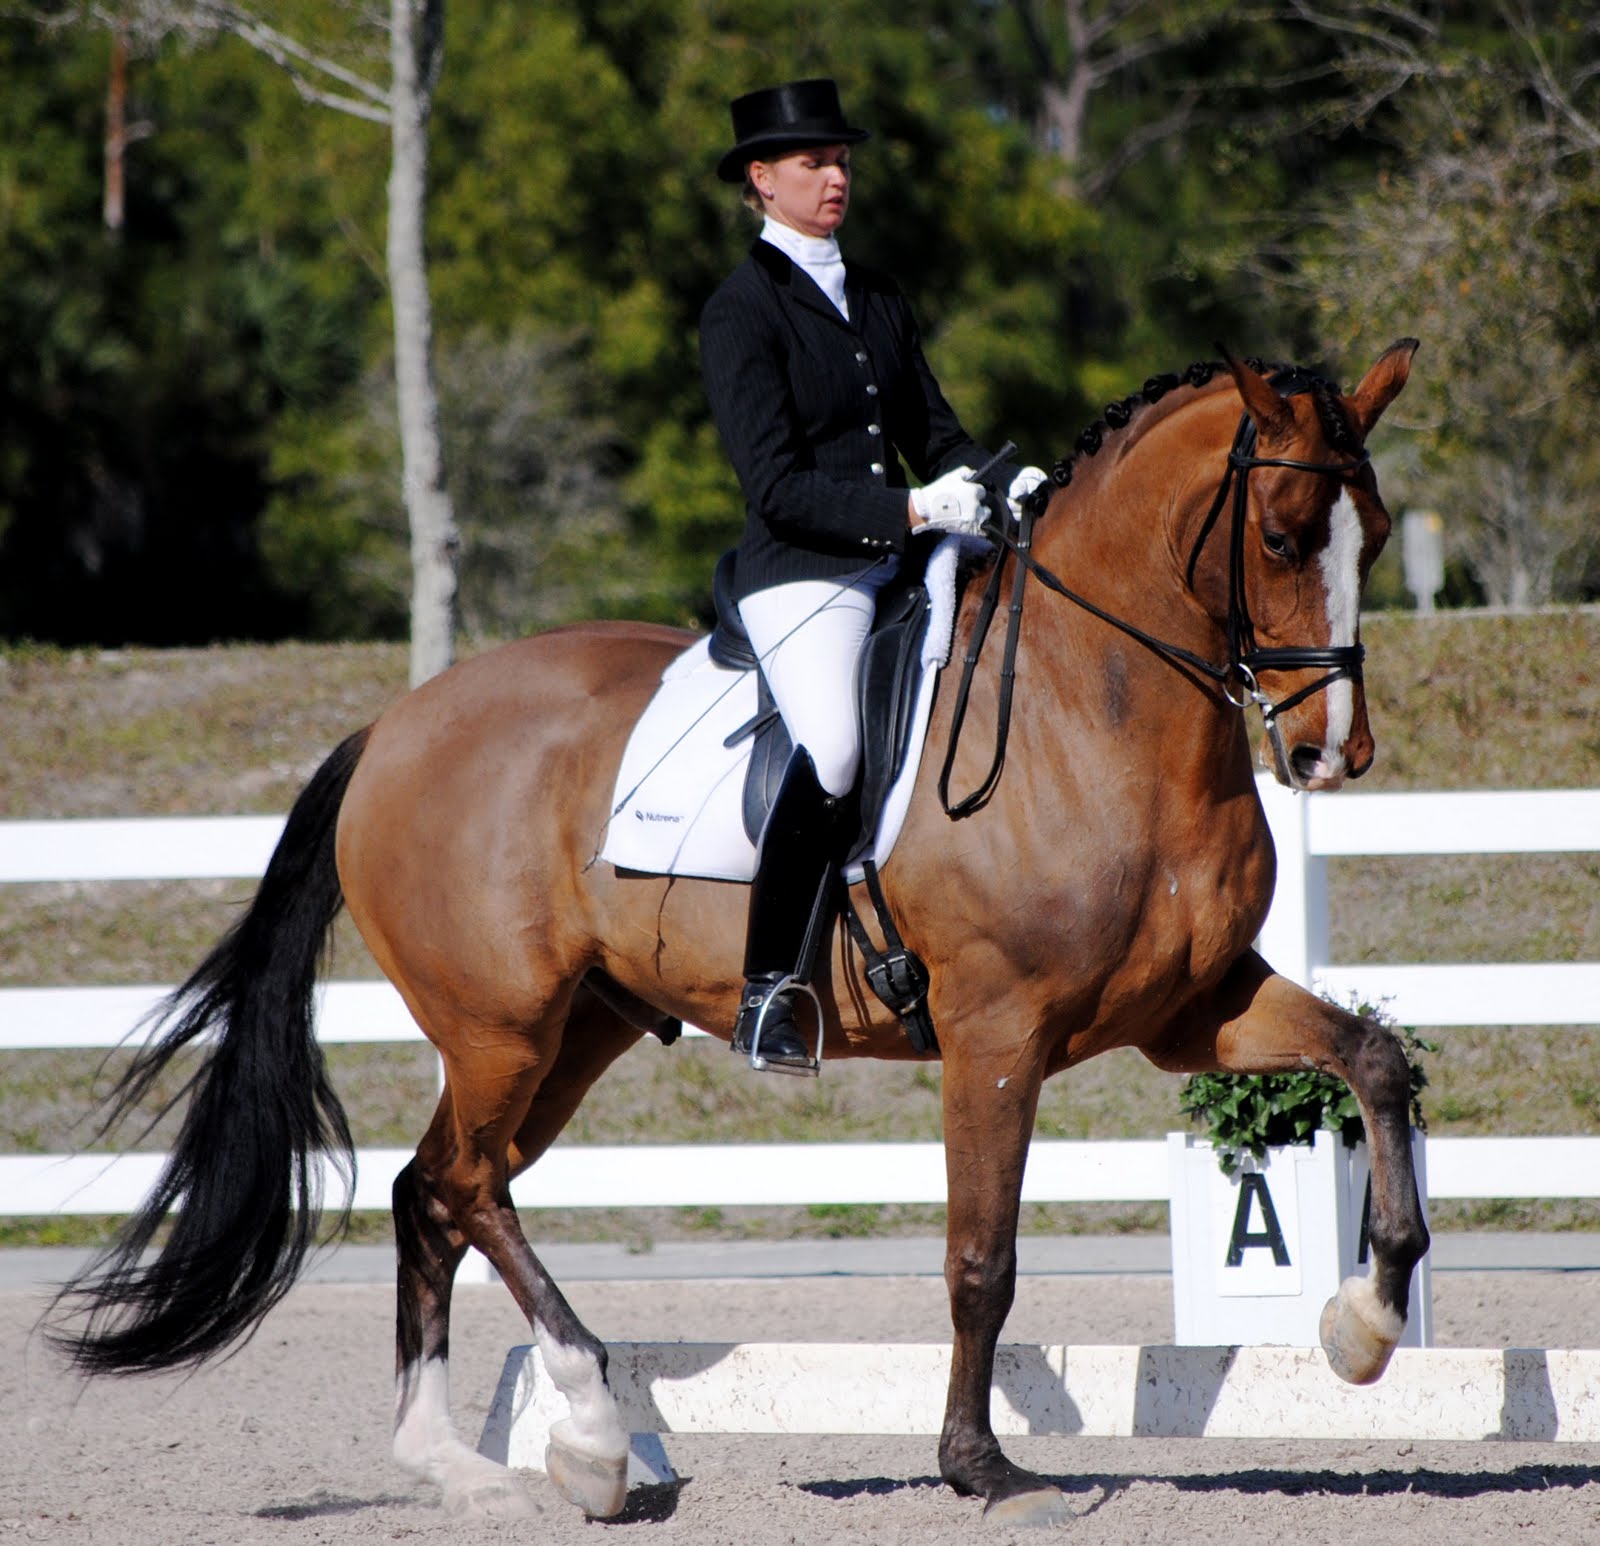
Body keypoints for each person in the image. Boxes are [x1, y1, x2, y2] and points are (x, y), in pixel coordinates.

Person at [700, 77, 1045, 1072]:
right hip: (803, 572)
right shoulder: (739, 310)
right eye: (813, 162)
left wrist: (1012, 480)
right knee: (837, 747)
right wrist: (910, 509)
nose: (835, 176)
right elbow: (775, 486)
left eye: (842, 160)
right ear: (762, 179)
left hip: (905, 555)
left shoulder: (880, 294)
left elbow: (933, 434)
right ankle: (769, 990)